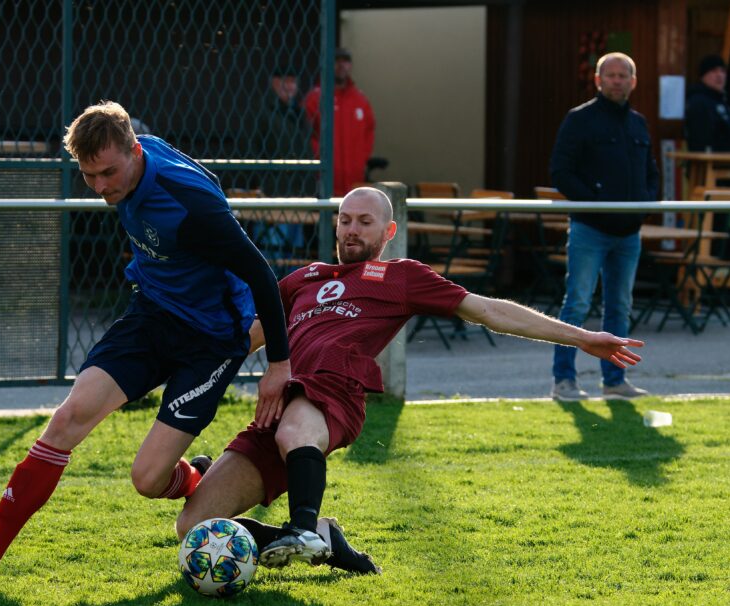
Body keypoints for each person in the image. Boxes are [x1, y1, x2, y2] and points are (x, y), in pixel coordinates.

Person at [0, 100, 292, 587]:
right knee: (68, 417)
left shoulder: (190, 203)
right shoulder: (130, 160)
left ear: (135, 150)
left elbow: (261, 274)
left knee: (147, 479)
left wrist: (278, 365)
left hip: (211, 341)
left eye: (109, 173)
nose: (100, 187)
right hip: (151, 316)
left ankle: (196, 481)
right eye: (88, 176)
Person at [176, 187, 645, 573]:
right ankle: (319, 536)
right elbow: (242, 341)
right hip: (278, 409)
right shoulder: (303, 278)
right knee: (194, 529)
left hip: (331, 391)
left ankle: (302, 526)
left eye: (364, 221)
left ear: (388, 231)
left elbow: (489, 311)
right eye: (345, 219)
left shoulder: (400, 276)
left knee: (297, 430)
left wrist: (581, 338)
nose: (352, 229)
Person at [549, 52, 658, 402]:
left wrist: (645, 205)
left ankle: (615, 381)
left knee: (619, 307)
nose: (616, 80)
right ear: (598, 80)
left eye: (622, 75)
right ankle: (564, 381)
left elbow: (652, 173)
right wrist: (594, 203)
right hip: (590, 231)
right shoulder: (579, 120)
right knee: (577, 305)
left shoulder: (639, 123)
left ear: (633, 81)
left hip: (629, 235)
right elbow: (560, 171)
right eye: (609, 75)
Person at [303, 47, 376, 197]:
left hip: (354, 184)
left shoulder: (360, 100)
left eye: (346, 61)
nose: (341, 65)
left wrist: (361, 159)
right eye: (337, 61)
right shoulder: (315, 99)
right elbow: (306, 135)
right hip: (324, 183)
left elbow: (369, 132)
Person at [255, 68, 311, 196]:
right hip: (273, 186)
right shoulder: (262, 111)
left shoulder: (298, 112)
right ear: (274, 83)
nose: (291, 86)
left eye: (293, 82)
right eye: (286, 81)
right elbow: (252, 146)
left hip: (299, 186)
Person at [684, 54, 730, 153]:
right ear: (703, 76)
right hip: (710, 162)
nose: (719, 75)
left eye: (722, 71)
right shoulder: (697, 102)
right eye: (714, 71)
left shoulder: (723, 101)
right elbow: (701, 137)